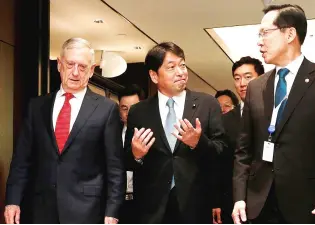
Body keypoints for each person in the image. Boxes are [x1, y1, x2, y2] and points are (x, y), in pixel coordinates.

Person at [232, 4, 315, 224]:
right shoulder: (256, 87)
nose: (259, 41)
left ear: (290, 33)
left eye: (265, 33)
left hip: (310, 204)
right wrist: (240, 198)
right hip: (260, 206)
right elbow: (244, 150)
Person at [4, 38, 125, 224]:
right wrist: (12, 200)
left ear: (92, 71)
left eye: (83, 67)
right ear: (60, 65)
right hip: (40, 208)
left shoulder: (106, 109)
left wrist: (113, 211)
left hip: (87, 210)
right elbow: (21, 159)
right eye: (70, 64)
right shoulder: (37, 106)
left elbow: (115, 167)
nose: (75, 72)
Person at [124, 42, 225, 223]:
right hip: (151, 209)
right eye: (171, 67)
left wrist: (198, 142)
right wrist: (136, 155)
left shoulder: (207, 104)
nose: (181, 72)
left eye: (183, 65)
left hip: (195, 206)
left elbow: (222, 153)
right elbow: (126, 160)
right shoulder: (139, 112)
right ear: (154, 76)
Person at [216, 57, 264, 224]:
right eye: (237, 78)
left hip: (267, 199)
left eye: (248, 77)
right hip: (233, 200)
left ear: (262, 78)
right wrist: (217, 201)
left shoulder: (275, 114)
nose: (242, 83)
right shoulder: (225, 121)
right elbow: (219, 164)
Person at [118, 84, 144, 223]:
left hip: (142, 201)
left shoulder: (152, 133)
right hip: (117, 201)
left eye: (133, 108)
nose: (128, 113)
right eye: (124, 108)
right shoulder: (111, 132)